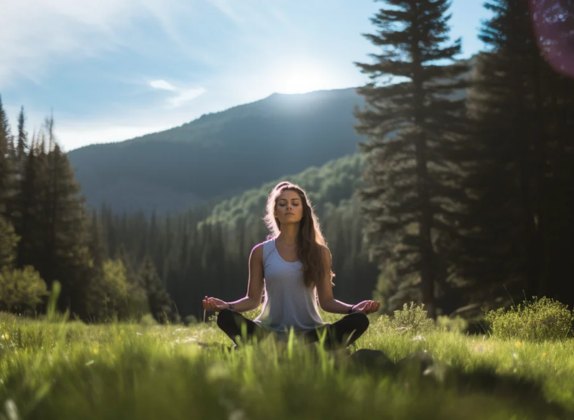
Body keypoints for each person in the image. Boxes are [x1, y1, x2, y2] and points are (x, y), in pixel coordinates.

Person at [202, 181, 380, 349]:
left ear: (303, 211)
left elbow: (327, 301)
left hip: (311, 333)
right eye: (282, 203)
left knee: (359, 320)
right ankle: (290, 349)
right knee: (225, 318)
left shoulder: (320, 252)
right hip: (268, 332)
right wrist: (226, 305)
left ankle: (291, 349)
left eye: (295, 203)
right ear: (275, 212)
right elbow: (252, 300)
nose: (289, 207)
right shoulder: (260, 252)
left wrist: (353, 309)